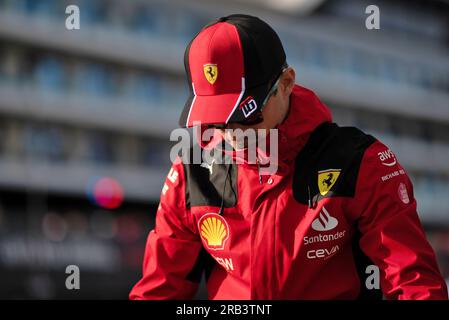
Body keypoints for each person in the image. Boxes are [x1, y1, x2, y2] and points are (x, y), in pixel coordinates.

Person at [129, 14, 448, 300]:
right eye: (217, 119)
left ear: (286, 83)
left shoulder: (363, 163)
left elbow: (415, 285)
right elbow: (158, 290)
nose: (231, 132)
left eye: (244, 115)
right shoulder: (190, 172)